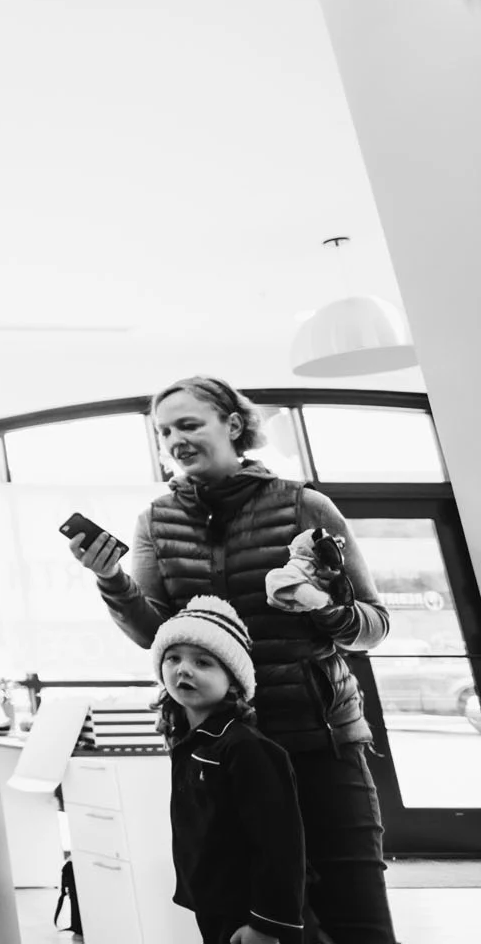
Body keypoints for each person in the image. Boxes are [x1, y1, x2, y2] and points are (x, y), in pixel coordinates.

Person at [71, 375, 395, 943]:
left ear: (234, 425)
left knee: (354, 919)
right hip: (221, 750)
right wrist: (112, 580)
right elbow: (156, 634)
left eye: (188, 424)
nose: (174, 439)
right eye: (164, 431)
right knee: (239, 920)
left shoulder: (304, 505)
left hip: (318, 743)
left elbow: (374, 625)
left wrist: (321, 604)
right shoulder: (155, 521)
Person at [152, 595, 309, 944]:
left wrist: (268, 925)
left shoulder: (246, 747)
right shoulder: (191, 742)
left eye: (203, 662)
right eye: (173, 658)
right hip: (213, 905)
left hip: (249, 914)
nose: (183, 669)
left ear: (234, 681)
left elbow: (279, 845)